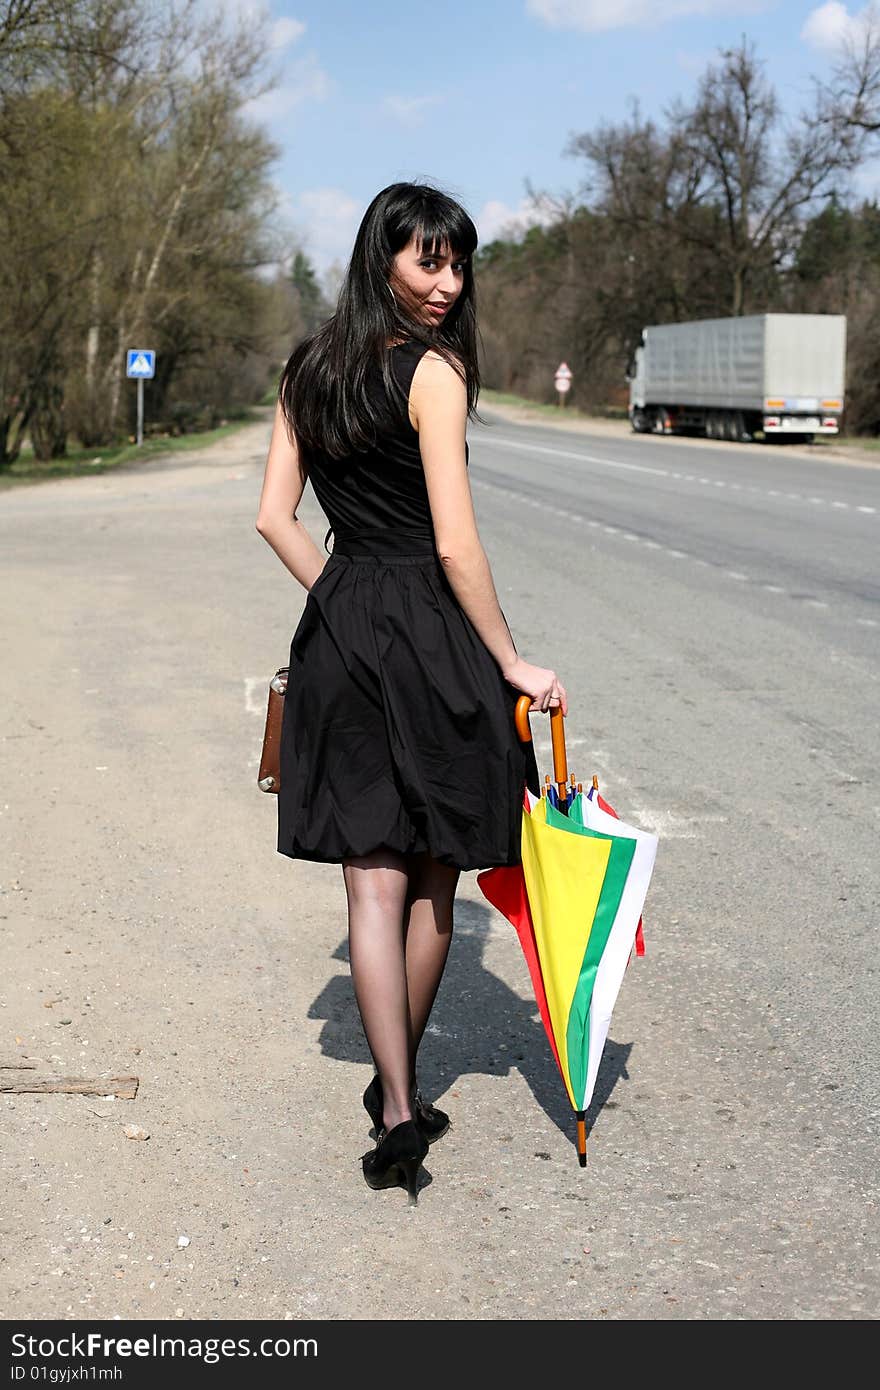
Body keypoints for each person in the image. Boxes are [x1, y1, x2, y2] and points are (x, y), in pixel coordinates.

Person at [255, 181, 567, 1205]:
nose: (447, 283)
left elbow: (274, 517)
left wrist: (343, 599)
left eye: (458, 263)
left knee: (369, 881)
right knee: (434, 873)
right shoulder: (432, 374)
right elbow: (453, 541)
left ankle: (395, 1106)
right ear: (381, 258)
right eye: (428, 261)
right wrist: (510, 658)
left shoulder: (306, 370)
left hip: (342, 636)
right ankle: (402, 1094)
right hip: (432, 636)